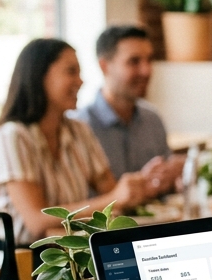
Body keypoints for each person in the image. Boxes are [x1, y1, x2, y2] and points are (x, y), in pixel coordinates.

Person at [0, 39, 149, 244]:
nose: (80, 81)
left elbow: (112, 192)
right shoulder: (12, 136)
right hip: (18, 258)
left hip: (69, 250)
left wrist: (139, 186)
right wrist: (115, 198)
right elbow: (36, 221)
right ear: (39, 76)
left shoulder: (79, 130)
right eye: (71, 71)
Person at [72, 26, 180, 195]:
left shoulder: (152, 119)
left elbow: (165, 184)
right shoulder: (79, 126)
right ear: (104, 67)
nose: (146, 71)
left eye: (149, 60)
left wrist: (174, 178)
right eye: (134, 61)